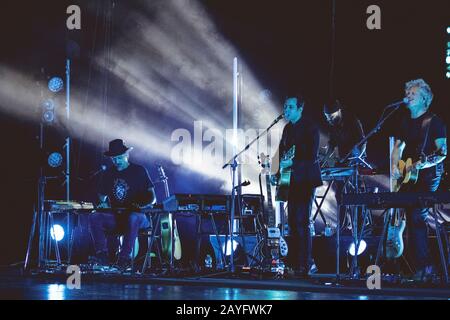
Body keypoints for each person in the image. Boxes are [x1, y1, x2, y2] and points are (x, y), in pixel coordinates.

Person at [391, 79, 447, 281]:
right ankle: (415, 268)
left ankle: (426, 267)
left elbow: (442, 152)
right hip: (409, 175)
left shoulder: (434, 122)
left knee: (416, 214)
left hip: (429, 175)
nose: (408, 95)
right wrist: (396, 166)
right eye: (408, 92)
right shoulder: (404, 121)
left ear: (424, 98)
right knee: (408, 215)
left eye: (413, 93)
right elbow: (397, 147)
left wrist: (423, 164)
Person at [273, 95, 322, 277]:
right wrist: (275, 173)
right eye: (285, 106)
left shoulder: (310, 128)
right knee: (292, 222)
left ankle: (306, 263)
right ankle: (295, 263)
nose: (286, 110)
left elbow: (311, 156)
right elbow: (281, 152)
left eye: (290, 107)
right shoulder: (287, 129)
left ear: (300, 109)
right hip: (290, 181)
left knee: (302, 221)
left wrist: (291, 164)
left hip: (306, 180)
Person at [89, 139, 156, 270]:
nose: (116, 161)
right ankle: (102, 255)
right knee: (94, 217)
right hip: (117, 218)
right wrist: (102, 203)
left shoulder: (139, 171)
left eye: (119, 158)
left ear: (127, 155)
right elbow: (101, 197)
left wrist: (140, 205)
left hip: (139, 217)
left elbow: (152, 197)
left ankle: (124, 258)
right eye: (113, 159)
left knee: (133, 217)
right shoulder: (108, 173)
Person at [323, 99, 367, 230]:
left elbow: (363, 142)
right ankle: (342, 225)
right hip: (342, 162)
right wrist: (325, 159)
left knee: (355, 194)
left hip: (355, 161)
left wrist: (357, 155)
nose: (329, 120)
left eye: (331, 117)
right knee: (340, 194)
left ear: (338, 111)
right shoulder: (332, 125)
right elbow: (331, 144)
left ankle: (359, 226)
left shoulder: (352, 121)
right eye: (327, 118)